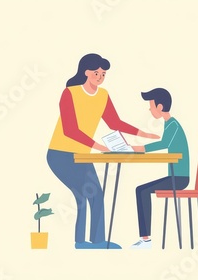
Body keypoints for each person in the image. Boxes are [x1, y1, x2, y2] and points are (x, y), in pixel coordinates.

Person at [47, 53, 158, 249]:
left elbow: (114, 122)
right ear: (86, 72)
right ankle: (81, 242)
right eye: (97, 72)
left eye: (104, 73)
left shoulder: (103, 95)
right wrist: (100, 147)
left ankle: (97, 241)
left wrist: (142, 133)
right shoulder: (70, 93)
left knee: (96, 195)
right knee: (83, 196)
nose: (100, 76)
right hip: (60, 154)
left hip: (82, 156)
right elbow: (70, 129)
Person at [130, 88, 190, 249]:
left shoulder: (173, 125)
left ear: (160, 107)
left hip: (179, 179)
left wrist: (138, 148)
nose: (150, 109)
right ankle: (145, 239)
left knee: (141, 191)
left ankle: (145, 240)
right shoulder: (170, 124)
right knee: (141, 190)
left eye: (151, 105)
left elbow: (164, 144)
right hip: (176, 177)